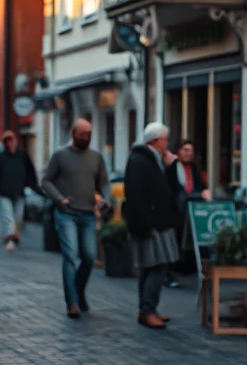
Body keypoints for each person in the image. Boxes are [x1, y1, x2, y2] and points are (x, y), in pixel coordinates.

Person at [42, 119, 111, 318]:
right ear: (73, 134)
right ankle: (71, 302)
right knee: (70, 256)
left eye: (89, 134)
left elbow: (104, 183)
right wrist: (58, 199)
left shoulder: (96, 157)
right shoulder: (60, 155)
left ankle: (79, 291)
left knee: (89, 256)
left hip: (88, 214)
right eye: (83, 134)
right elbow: (46, 181)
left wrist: (104, 199)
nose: (86, 138)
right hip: (66, 214)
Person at [124, 123, 183, 330]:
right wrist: (146, 224)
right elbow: (135, 195)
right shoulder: (141, 161)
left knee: (151, 266)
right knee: (158, 265)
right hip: (153, 223)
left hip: (158, 221)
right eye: (165, 140)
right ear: (157, 141)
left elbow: (170, 189)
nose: (167, 144)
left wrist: (169, 167)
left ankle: (146, 309)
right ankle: (148, 309)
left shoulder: (152, 160)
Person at [164, 140, 211, 288]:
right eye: (185, 150)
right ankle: (170, 274)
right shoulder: (172, 167)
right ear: (178, 151)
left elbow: (202, 186)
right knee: (175, 242)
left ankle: (190, 268)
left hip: (192, 211)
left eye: (190, 151)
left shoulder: (196, 169)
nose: (188, 153)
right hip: (175, 212)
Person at [0, 131, 41, 252]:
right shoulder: (1, 156)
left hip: (19, 191)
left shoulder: (23, 155)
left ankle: (15, 235)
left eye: (11, 139)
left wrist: (32, 185)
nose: (9, 142)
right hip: (4, 191)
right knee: (8, 216)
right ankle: (10, 239)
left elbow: (30, 170)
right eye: (7, 140)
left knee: (18, 217)